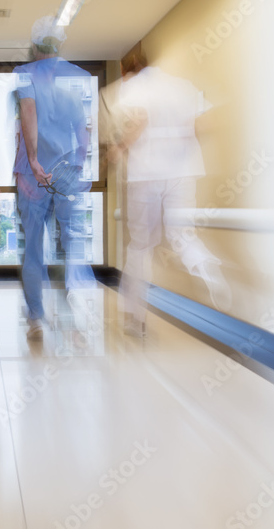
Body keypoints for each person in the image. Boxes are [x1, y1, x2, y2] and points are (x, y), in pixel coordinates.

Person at [108, 52, 231, 337]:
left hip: (146, 173)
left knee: (140, 246)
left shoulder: (134, 86)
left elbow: (139, 119)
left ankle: (134, 318)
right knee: (182, 234)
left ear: (128, 72)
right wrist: (179, 144)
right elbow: (205, 124)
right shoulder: (182, 85)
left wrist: (119, 148)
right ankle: (205, 265)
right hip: (183, 172)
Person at [13, 15, 95, 340]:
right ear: (58, 47)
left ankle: (35, 318)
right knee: (64, 246)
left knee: (33, 249)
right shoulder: (71, 91)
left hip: (34, 178)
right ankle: (65, 311)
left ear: (34, 48)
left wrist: (32, 160)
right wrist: (77, 166)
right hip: (64, 178)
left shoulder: (24, 75)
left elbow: (28, 112)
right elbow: (83, 134)